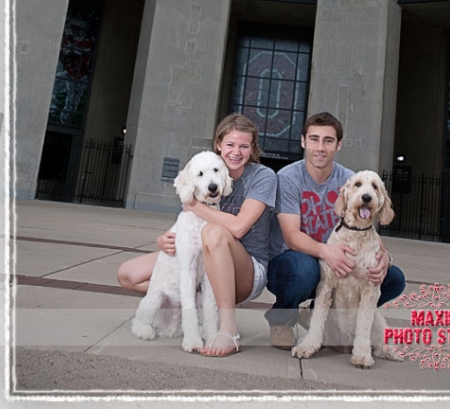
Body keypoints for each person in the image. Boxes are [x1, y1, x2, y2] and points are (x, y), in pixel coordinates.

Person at [117, 113, 276, 357]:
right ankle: (185, 303)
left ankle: (228, 329)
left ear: (252, 148)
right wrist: (164, 239)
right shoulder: (203, 168)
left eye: (244, 146)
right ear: (219, 145)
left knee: (212, 233)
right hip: (202, 258)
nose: (236, 152)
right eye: (230, 144)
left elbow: (239, 227)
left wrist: (193, 205)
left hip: (246, 270)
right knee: (128, 274)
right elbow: (187, 219)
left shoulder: (263, 177)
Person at [265, 111, 406, 350]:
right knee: (305, 268)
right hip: (293, 263)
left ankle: (317, 315)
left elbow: (365, 229)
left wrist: (385, 258)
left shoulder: (351, 180)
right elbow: (291, 236)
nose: (320, 147)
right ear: (303, 141)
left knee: (393, 278)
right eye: (314, 139)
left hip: (335, 262)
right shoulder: (288, 178)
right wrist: (326, 251)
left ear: (338, 144)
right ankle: (282, 319)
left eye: (328, 140)